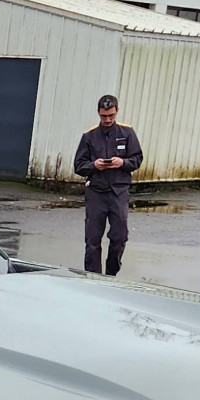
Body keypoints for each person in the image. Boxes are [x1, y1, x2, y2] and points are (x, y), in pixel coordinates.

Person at [74, 96, 143, 276]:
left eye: (111, 116)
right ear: (98, 113)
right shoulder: (88, 136)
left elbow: (137, 159)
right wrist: (93, 165)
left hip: (118, 192)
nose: (107, 120)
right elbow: (78, 166)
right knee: (92, 239)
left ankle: (111, 274)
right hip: (96, 192)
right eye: (104, 116)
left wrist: (123, 162)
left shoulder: (127, 133)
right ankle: (93, 277)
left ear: (117, 111)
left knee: (120, 236)